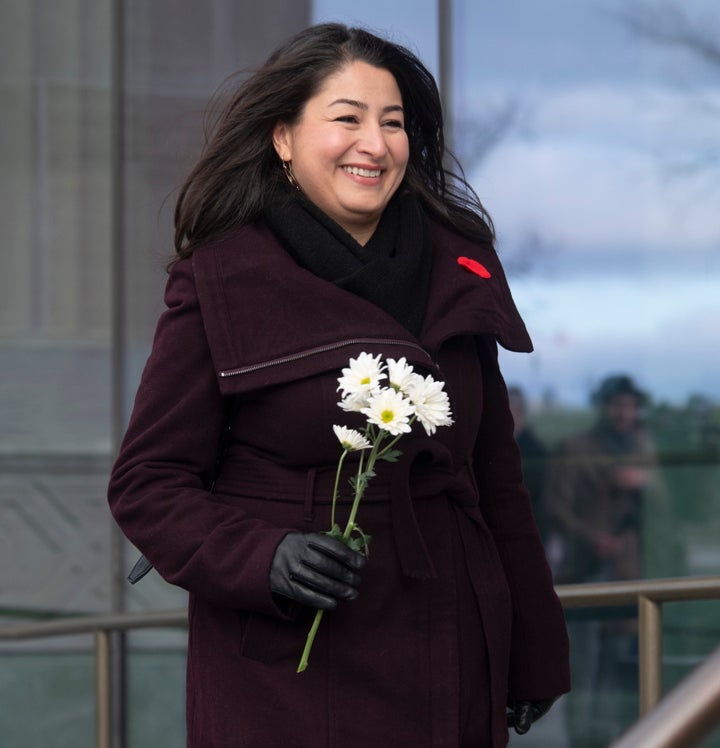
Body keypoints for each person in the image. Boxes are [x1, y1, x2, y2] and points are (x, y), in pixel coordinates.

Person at [107, 23, 569, 747]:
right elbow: (148, 483)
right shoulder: (224, 278)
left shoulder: (460, 267)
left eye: (393, 123)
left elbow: (494, 480)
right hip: (288, 668)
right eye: (346, 119)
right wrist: (265, 556)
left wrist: (534, 651)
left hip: (449, 640)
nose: (375, 144)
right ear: (283, 137)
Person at [544, 374, 664, 747]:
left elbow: (667, 506)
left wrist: (644, 484)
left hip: (629, 575)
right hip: (584, 571)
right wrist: (591, 538)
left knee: (620, 669)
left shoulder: (644, 447)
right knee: (583, 670)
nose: (624, 413)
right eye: (617, 404)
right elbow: (555, 507)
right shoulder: (575, 447)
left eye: (630, 405)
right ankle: (582, 740)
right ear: (605, 406)